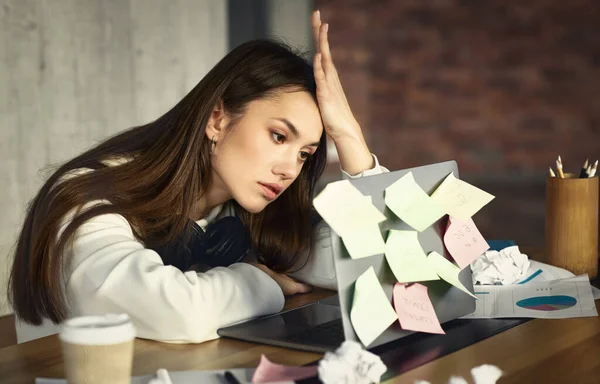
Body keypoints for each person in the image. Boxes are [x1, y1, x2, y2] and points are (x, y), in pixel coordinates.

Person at [8, 11, 388, 343]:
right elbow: (174, 310)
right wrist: (263, 282)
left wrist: (351, 139)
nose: (290, 169)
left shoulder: (244, 213)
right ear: (217, 119)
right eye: (278, 136)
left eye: (304, 154)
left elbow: (380, 266)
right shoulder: (86, 196)